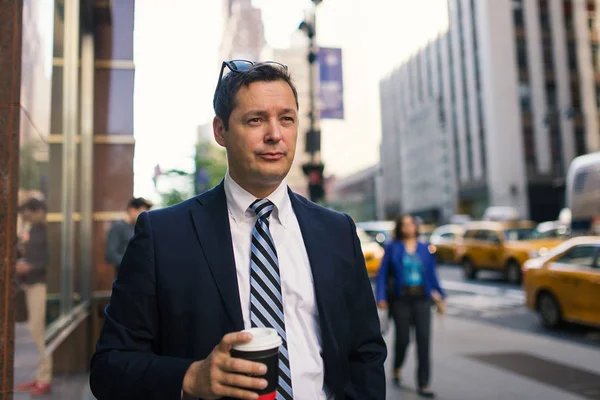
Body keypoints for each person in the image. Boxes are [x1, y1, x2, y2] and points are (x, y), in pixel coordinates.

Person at [90, 61, 386, 400]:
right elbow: (109, 366)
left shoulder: (337, 231)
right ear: (220, 131)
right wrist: (190, 377)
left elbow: (365, 352)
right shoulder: (162, 235)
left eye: (286, 119)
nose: (275, 134)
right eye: (256, 120)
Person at [375, 214, 445, 398]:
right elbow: (382, 274)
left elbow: (431, 273)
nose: (408, 227)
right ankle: (397, 367)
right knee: (403, 340)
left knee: (424, 341)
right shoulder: (392, 247)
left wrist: (440, 293)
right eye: (404, 224)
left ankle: (424, 384)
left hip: (422, 298)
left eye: (411, 224)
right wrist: (381, 297)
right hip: (401, 300)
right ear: (400, 228)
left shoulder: (424, 248)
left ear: (416, 226)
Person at [15, 198, 52, 396]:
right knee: (35, 330)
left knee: (37, 330)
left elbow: (45, 260)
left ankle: (44, 377)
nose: (25, 218)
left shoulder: (44, 229)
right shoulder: (35, 229)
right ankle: (40, 375)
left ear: (37, 211)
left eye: (27, 214)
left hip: (39, 284)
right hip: (32, 283)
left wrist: (28, 266)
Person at [104, 197, 153, 272]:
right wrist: (134, 262)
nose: (144, 217)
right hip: (125, 277)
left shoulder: (140, 227)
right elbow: (111, 255)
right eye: (141, 212)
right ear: (132, 210)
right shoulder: (118, 227)